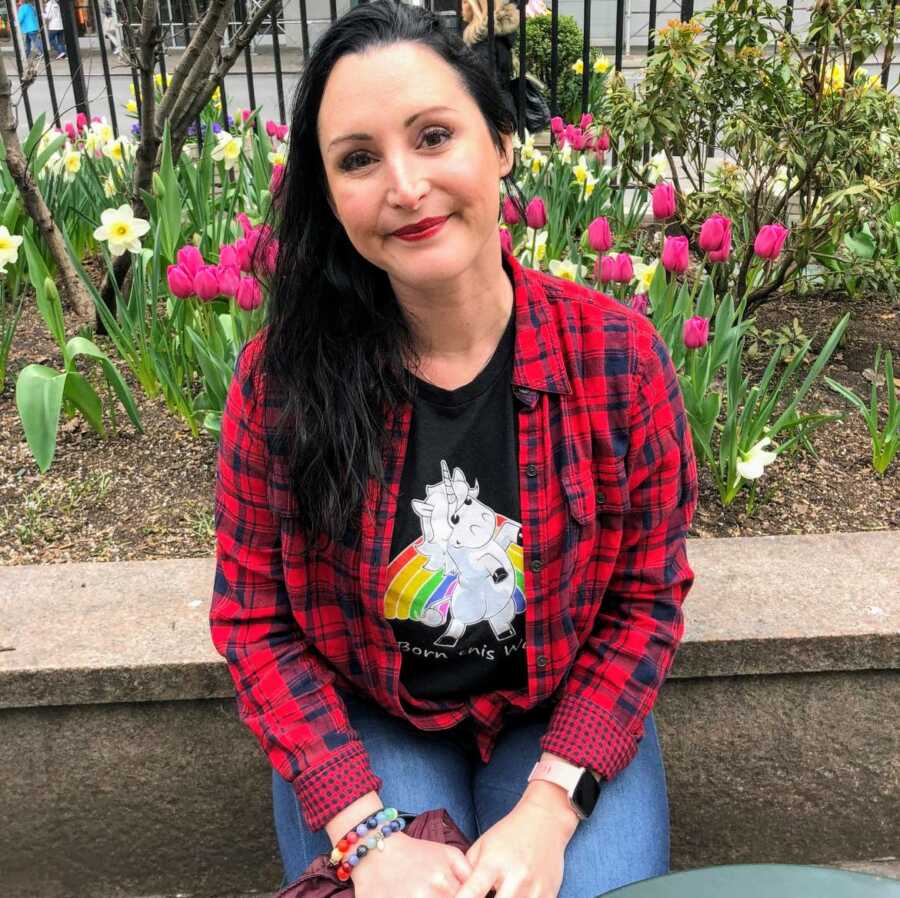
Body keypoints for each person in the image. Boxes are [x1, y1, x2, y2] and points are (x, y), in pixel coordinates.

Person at [210, 3, 698, 898]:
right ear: (328, 193)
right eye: (358, 159)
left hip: (559, 707)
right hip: (371, 712)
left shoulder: (617, 362)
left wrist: (552, 806)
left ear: (501, 142)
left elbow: (644, 598)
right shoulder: (280, 385)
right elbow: (255, 624)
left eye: (434, 136)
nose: (404, 184)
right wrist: (365, 835)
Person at [461, 0, 518, 94]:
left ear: (478, 7)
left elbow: (485, 89)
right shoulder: (495, 38)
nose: (461, 6)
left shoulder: (484, 44)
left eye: (465, 2)